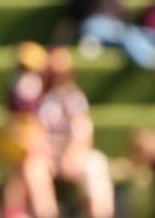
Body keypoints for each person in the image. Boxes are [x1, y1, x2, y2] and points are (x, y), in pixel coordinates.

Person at [37, 46, 115, 218]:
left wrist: (72, 155)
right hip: (45, 153)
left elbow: (83, 132)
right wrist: (47, 154)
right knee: (35, 169)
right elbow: (35, 132)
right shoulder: (37, 96)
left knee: (96, 165)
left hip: (72, 152)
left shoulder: (74, 97)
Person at [0, 41, 58, 218]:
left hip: (16, 137)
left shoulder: (16, 81)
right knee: (37, 182)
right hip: (25, 138)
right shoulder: (29, 83)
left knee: (16, 181)